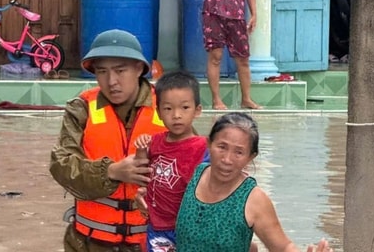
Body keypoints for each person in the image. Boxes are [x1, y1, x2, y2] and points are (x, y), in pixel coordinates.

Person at [49, 29, 166, 252]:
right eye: (102, 71)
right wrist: (111, 171)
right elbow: (61, 166)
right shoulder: (81, 108)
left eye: (120, 70)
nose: (111, 81)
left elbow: (194, 169)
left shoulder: (168, 107)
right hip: (90, 243)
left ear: (139, 68)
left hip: (152, 243)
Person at [175, 113, 331, 252]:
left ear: (250, 157)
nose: (227, 159)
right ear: (209, 144)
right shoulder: (198, 173)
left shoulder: (253, 199)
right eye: (222, 147)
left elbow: (283, 247)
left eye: (239, 152)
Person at [134, 71, 207, 252]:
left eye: (184, 108)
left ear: (197, 110)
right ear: (158, 112)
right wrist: (141, 150)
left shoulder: (202, 146)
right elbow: (141, 173)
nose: (176, 115)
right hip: (157, 225)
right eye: (168, 108)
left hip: (189, 227)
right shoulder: (155, 141)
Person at [203, 0, 260, 110]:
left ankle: (246, 99)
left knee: (243, 59)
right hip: (213, 12)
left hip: (237, 14)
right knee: (215, 56)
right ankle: (216, 99)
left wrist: (254, 13)